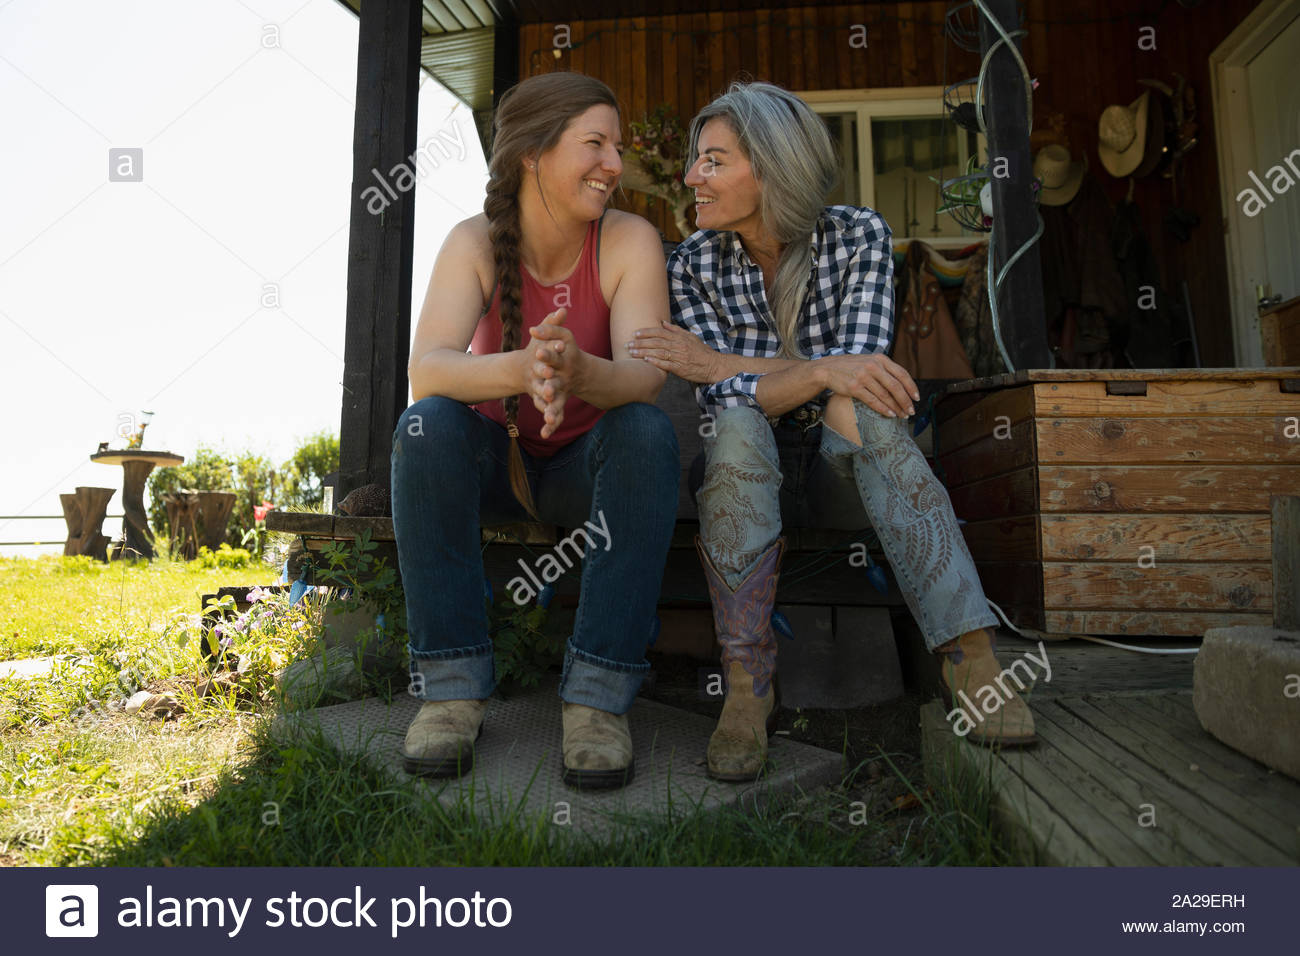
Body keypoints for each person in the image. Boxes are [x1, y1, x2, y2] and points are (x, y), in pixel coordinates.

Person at [628, 81, 1036, 781]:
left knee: (867, 412)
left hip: (841, 471)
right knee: (734, 427)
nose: (693, 176)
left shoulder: (855, 235)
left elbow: (859, 382)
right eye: (698, 160)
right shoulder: (692, 263)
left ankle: (969, 653)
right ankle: (748, 683)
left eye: (714, 160)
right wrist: (819, 374)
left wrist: (797, 378)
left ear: (773, 166)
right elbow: (726, 391)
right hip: (742, 483)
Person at [392, 72, 679, 791]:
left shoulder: (629, 240)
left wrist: (578, 372)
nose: (614, 163)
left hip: (586, 471)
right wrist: (523, 368)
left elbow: (645, 377)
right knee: (426, 426)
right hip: (497, 465)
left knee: (645, 431)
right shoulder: (473, 242)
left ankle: (597, 703)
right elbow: (426, 371)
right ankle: (452, 691)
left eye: (616, 145)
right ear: (531, 153)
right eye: (595, 143)